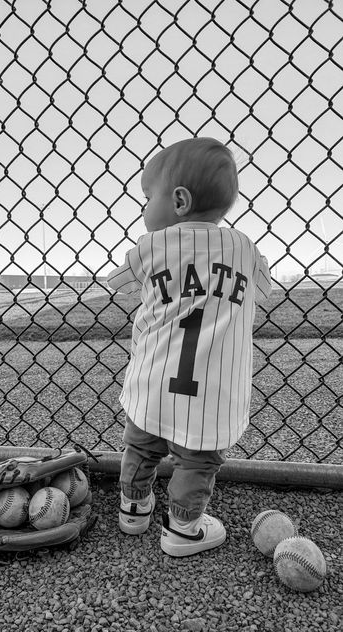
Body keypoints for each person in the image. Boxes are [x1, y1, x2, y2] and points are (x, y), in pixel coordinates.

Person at [107, 137, 272, 556]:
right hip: (211, 393)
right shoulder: (245, 248)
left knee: (140, 446)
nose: (144, 208)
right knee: (197, 460)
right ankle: (183, 528)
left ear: (179, 201)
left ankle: (133, 508)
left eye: (147, 198)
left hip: (153, 378)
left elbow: (117, 281)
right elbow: (266, 289)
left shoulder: (147, 248)